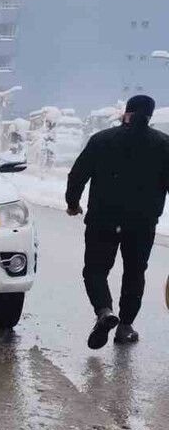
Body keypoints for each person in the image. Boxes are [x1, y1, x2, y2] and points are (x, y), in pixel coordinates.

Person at [66, 94, 169, 349]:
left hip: (103, 219)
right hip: (142, 223)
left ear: (127, 112)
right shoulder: (164, 145)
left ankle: (104, 311)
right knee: (134, 273)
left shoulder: (102, 140)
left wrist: (73, 203)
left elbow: (78, 174)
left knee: (95, 269)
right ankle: (125, 326)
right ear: (150, 115)